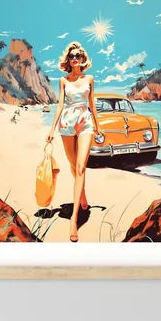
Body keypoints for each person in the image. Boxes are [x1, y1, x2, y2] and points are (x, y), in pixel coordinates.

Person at [46, 41, 99, 242]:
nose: (74, 58)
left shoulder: (90, 79)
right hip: (67, 123)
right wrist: (51, 129)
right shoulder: (63, 81)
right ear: (68, 60)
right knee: (71, 164)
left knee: (80, 168)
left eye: (77, 55)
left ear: (83, 58)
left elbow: (92, 104)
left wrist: (99, 126)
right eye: (71, 56)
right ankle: (83, 197)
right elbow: (60, 105)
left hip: (85, 123)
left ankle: (74, 218)